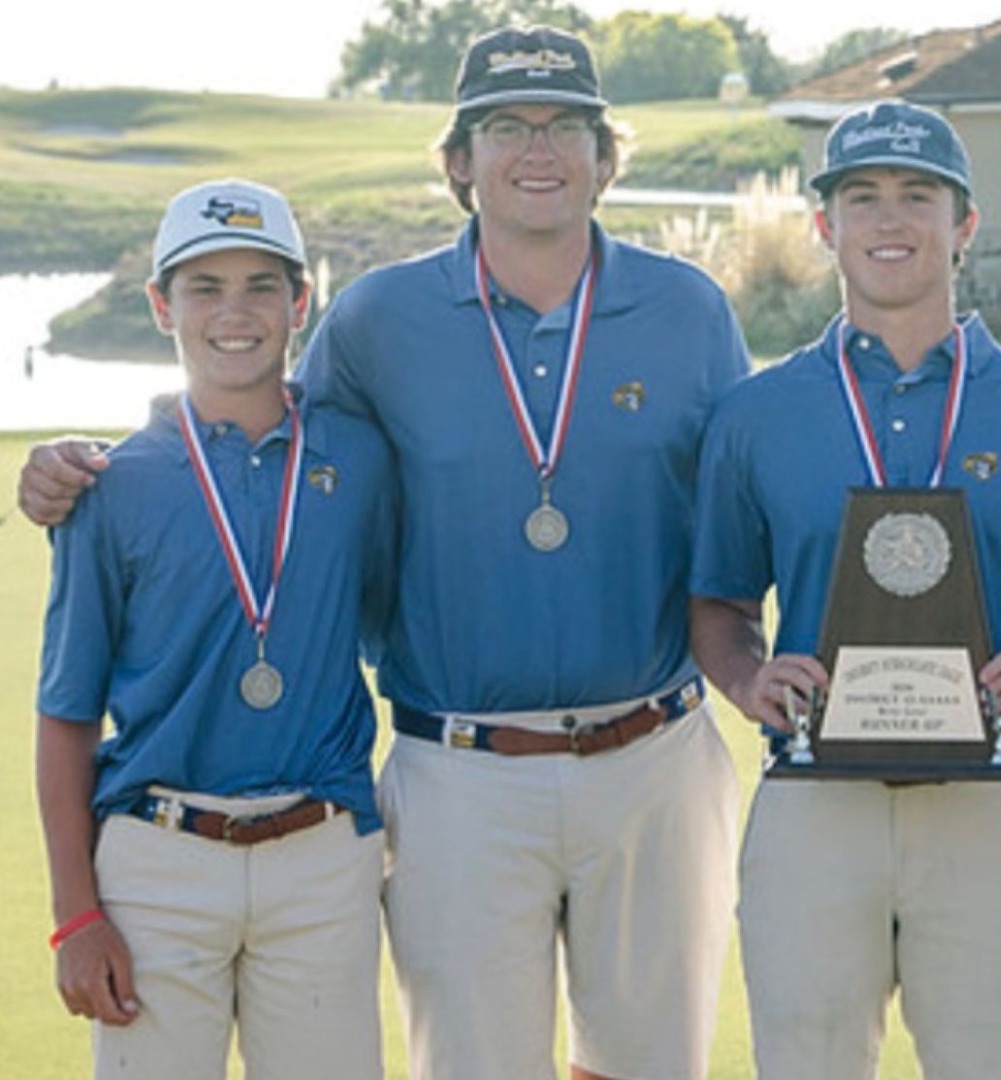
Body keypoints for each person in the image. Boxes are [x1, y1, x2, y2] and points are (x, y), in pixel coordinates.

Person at [21, 25, 750, 1080]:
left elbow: (743, 515)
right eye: (505, 126)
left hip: (657, 755)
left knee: (649, 1065)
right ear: (460, 161)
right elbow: (254, 438)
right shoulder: (375, 319)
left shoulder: (690, 310)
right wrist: (89, 463)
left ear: (604, 157)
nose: (535, 150)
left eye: (565, 127)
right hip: (459, 769)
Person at [688, 99, 1001, 1080]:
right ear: (824, 226)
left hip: (986, 797)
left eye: (919, 195)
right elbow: (719, 603)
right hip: (811, 799)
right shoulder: (757, 411)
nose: (890, 219)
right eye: (862, 197)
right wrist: (749, 681)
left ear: (964, 225)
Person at [36, 179, 394, 1080]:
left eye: (261, 286)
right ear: (161, 306)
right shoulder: (109, 485)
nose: (234, 313)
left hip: (322, 857)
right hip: (158, 865)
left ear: (300, 302)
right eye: (205, 288)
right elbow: (67, 712)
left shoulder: (358, 456)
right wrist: (76, 914)